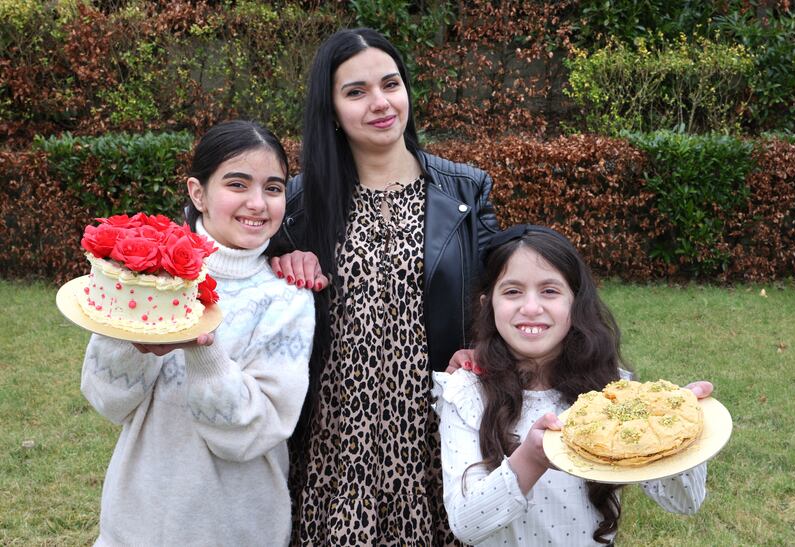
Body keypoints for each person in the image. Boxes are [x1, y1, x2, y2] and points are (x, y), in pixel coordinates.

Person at [267, 28, 499, 544]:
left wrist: (483, 345)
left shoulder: (465, 190)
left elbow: (502, 291)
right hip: (334, 445)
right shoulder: (297, 204)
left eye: (390, 84)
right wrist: (282, 254)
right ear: (330, 110)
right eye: (356, 92)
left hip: (432, 438)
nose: (380, 103)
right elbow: (225, 247)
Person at [80, 120, 315, 546]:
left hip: (237, 526)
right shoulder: (149, 277)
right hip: (136, 522)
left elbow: (255, 430)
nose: (257, 203)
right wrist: (129, 338)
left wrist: (203, 351)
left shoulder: (287, 300)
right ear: (198, 193)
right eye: (237, 184)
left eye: (274, 188)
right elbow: (108, 398)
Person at [432, 224, 712, 546]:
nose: (532, 307)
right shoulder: (466, 394)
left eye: (550, 291)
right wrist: (531, 458)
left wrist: (679, 430)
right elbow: (466, 523)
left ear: (575, 302)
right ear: (488, 304)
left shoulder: (612, 393)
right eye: (512, 291)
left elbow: (684, 502)